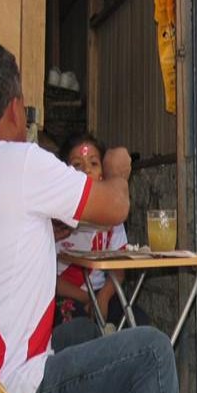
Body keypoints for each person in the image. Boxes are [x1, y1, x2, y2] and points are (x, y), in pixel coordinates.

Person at [0, 40, 181, 393]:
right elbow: (116, 206)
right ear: (15, 108)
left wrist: (46, 230)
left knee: (85, 332)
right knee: (151, 352)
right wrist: (116, 169)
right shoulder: (21, 161)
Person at [53, 132, 131, 327]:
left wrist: (102, 298)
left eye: (94, 163)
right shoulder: (57, 219)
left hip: (102, 293)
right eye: (77, 165)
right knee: (80, 329)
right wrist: (88, 299)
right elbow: (48, 277)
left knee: (136, 322)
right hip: (65, 295)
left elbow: (118, 271)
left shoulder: (113, 216)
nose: (86, 169)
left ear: (104, 173)